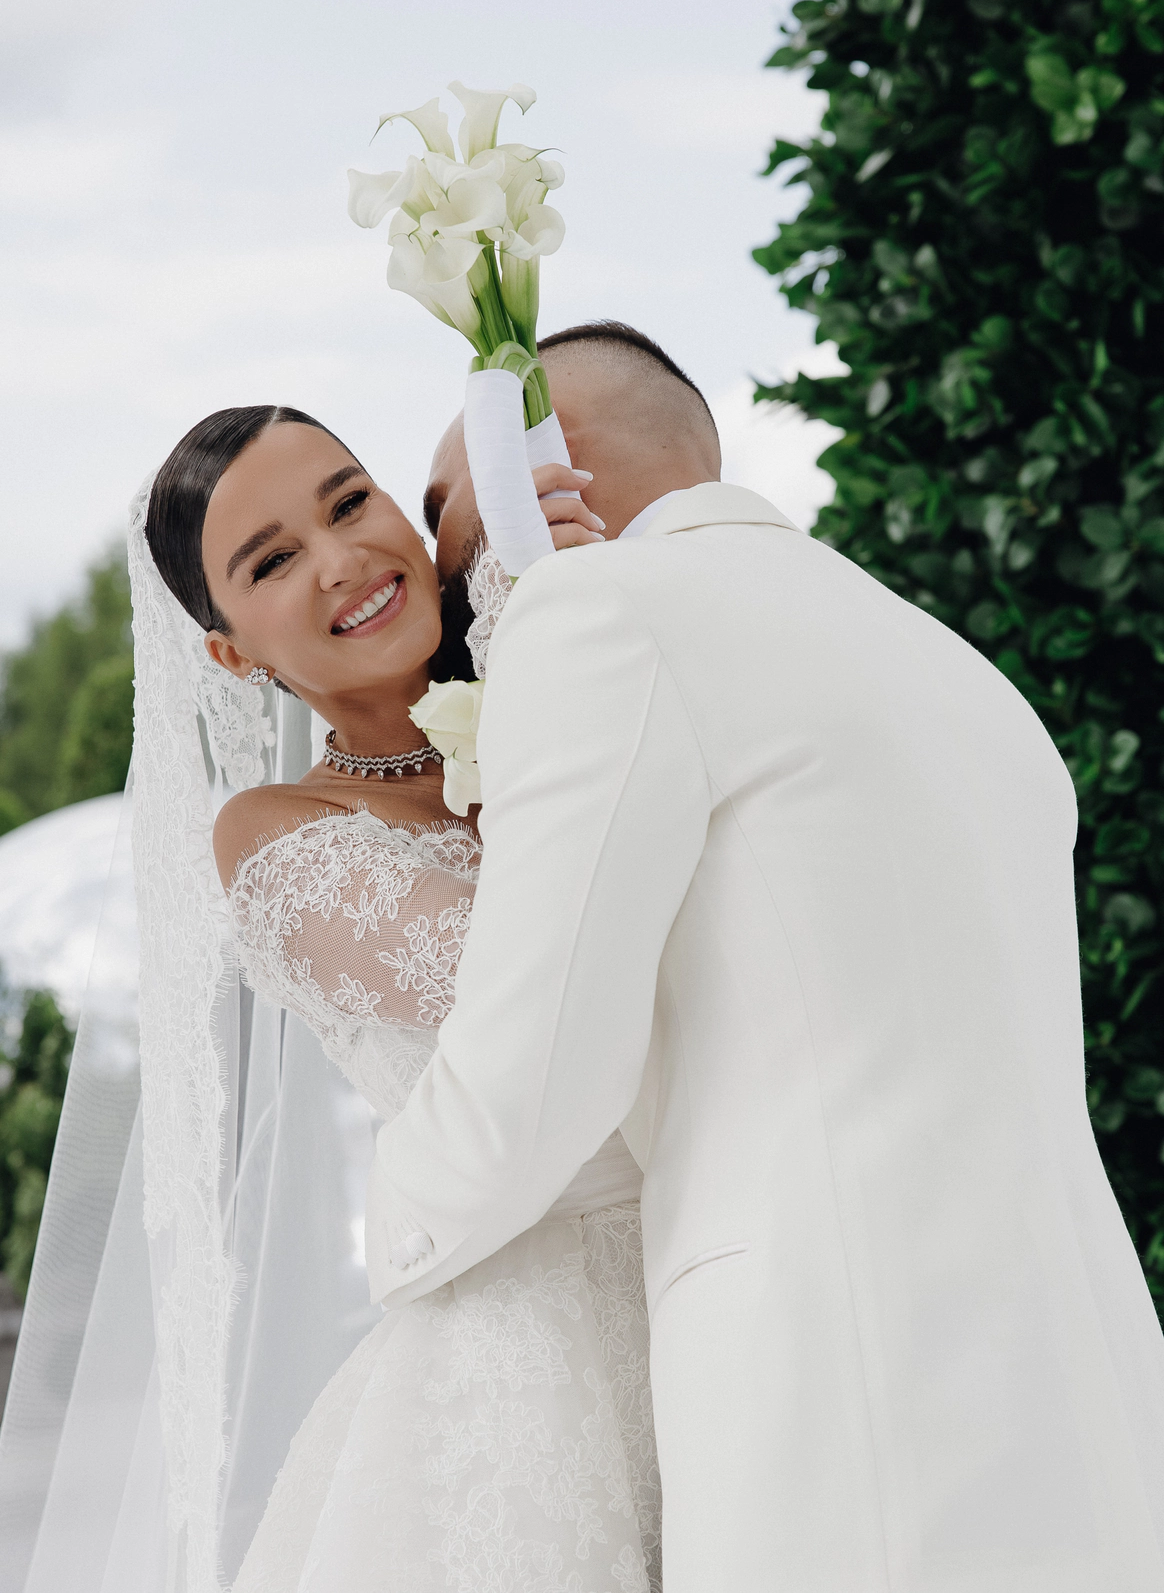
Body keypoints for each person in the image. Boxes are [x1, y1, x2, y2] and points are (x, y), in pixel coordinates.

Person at [369, 319, 1164, 1591]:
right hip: (1089, 1399)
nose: (434, 546)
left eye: (441, 499)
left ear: (550, 454)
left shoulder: (600, 617)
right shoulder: (963, 672)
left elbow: (539, 1075)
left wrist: (386, 1227)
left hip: (836, 1400)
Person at [141, 404, 662, 1592]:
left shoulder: (556, 689)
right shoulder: (275, 837)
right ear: (233, 655)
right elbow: (536, 969)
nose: (341, 560)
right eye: (273, 561)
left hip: (729, 1264)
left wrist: (580, 622)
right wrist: (534, 629)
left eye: (349, 503)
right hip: (533, 1372)